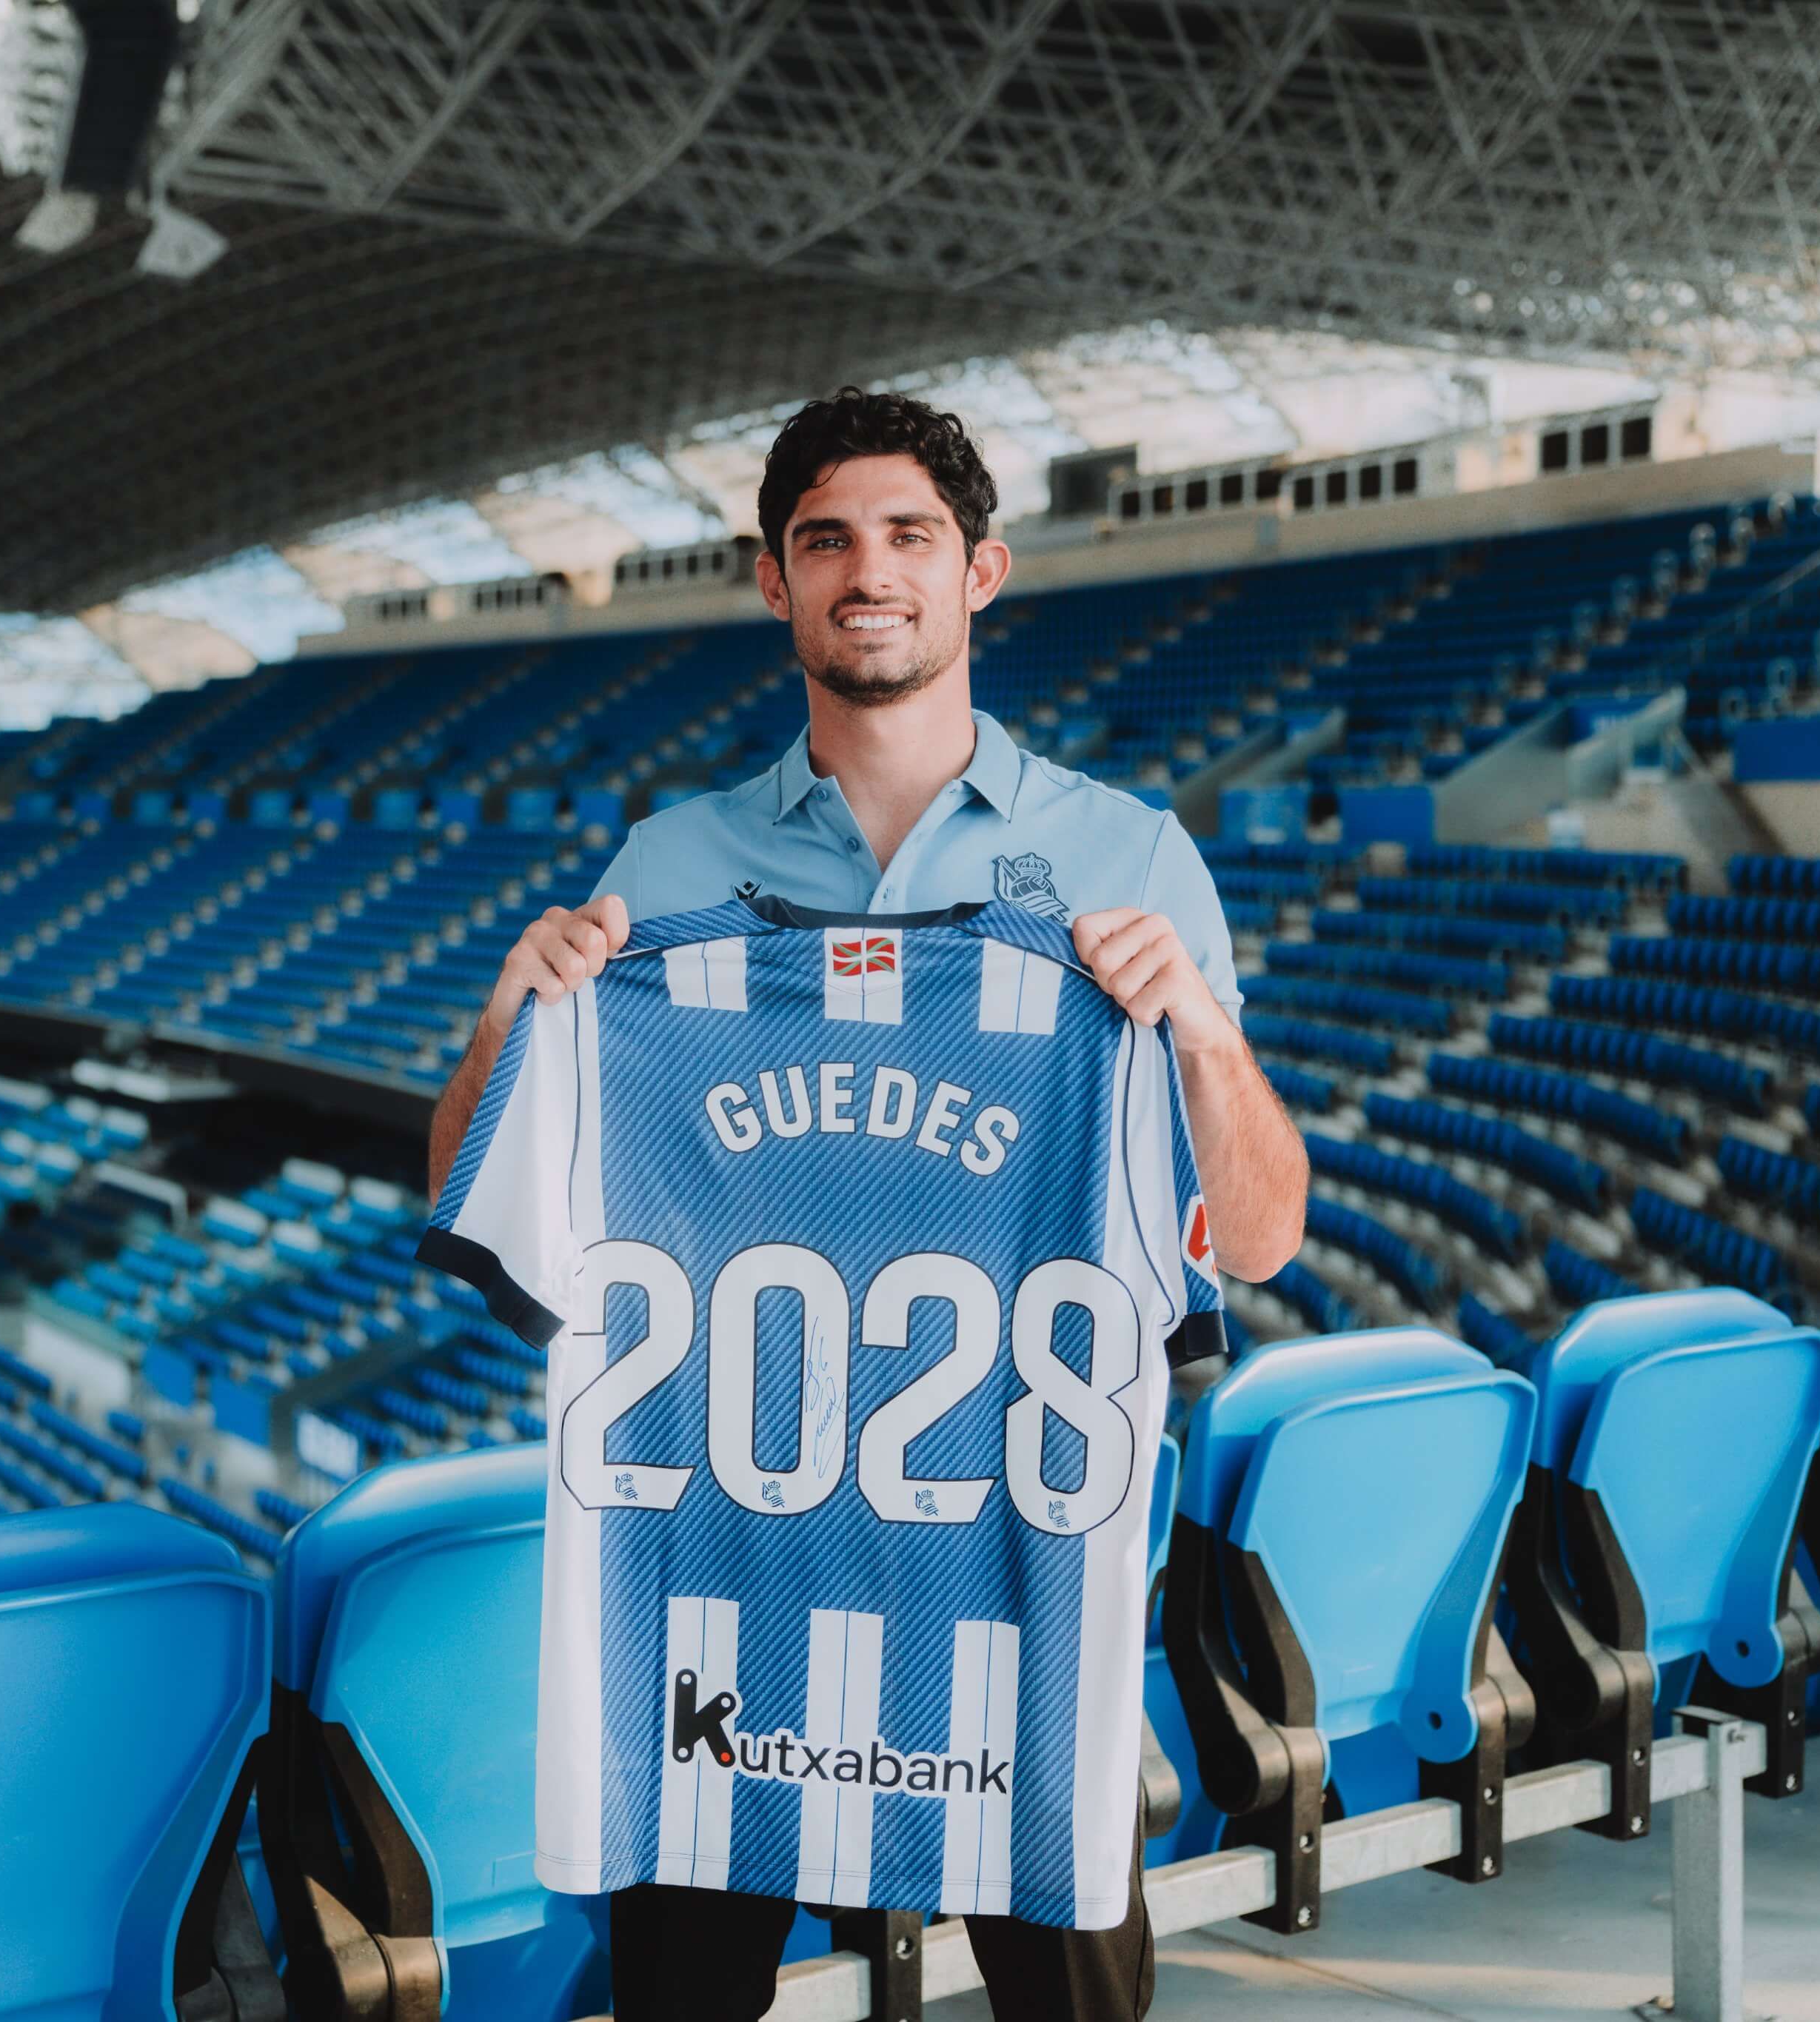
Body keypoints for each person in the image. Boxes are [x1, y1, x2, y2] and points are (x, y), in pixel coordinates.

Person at [426, 386, 1308, 2022]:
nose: (866, 570)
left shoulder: (1129, 857)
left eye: (907, 535)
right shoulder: (667, 864)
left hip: (1015, 1587)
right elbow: (476, 1205)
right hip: (718, 1591)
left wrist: (1195, 1030)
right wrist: (506, 1024)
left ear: (980, 571)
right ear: (774, 581)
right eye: (823, 538)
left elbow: (1256, 1239)